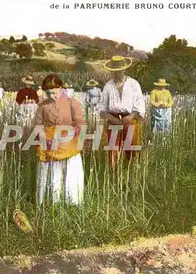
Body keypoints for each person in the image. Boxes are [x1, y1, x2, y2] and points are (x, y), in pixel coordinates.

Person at [34, 74, 86, 206]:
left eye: (55, 92)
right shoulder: (43, 106)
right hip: (49, 143)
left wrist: (73, 132)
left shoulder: (71, 102)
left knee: (69, 171)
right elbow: (38, 126)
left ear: (61, 88)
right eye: (49, 93)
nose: (52, 96)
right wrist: (45, 139)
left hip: (68, 142)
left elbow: (80, 123)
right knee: (52, 172)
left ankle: (72, 203)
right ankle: (52, 202)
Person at [98, 56, 145, 167]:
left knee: (132, 148)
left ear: (124, 69)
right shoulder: (108, 86)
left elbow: (140, 104)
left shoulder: (134, 84)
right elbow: (102, 108)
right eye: (113, 72)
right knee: (113, 149)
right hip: (112, 118)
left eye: (118, 71)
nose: (116, 74)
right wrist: (112, 118)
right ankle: (113, 175)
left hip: (130, 118)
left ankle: (131, 173)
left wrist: (130, 116)